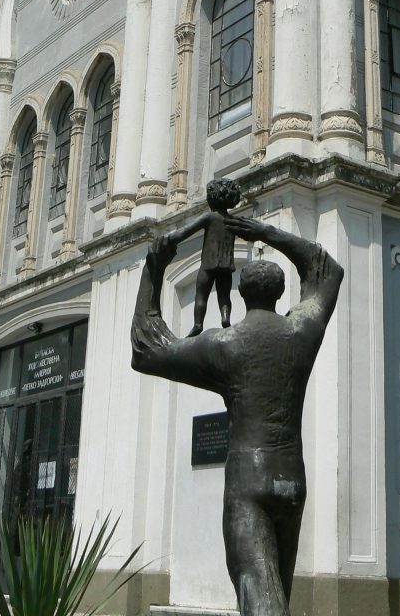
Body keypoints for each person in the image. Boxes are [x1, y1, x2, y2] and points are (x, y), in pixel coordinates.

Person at [131, 214, 344, 616]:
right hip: (291, 481)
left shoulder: (227, 344)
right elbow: (328, 271)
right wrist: (266, 233)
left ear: (242, 294)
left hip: (249, 482)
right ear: (281, 293)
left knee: (258, 591)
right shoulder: (301, 331)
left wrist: (153, 270)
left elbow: (146, 349)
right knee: (274, 591)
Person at [165, 177, 241, 336]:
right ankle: (225, 319)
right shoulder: (232, 220)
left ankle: (198, 324)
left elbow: (186, 231)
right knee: (224, 295)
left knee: (201, 295)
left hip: (208, 264)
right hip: (226, 264)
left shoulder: (210, 217)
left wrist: (170, 239)